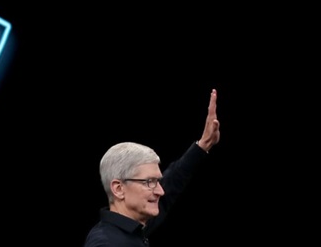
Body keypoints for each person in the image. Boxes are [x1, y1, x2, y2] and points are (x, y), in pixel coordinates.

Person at [82, 89, 221, 246]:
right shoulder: (105, 243)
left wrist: (203, 145)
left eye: (157, 181)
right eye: (149, 182)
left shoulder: (130, 227)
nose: (160, 191)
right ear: (119, 188)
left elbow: (172, 184)